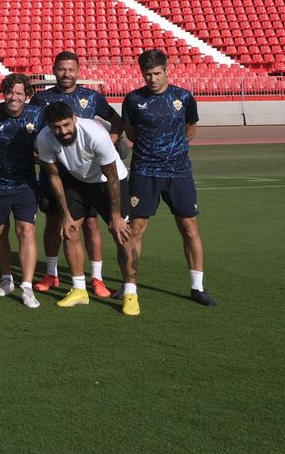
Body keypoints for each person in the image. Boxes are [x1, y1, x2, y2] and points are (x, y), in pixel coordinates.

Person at [121, 49, 212, 313]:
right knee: (135, 229)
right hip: (144, 173)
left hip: (178, 173)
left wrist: (172, 150)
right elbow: (130, 133)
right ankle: (130, 287)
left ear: (166, 70)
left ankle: (197, 287)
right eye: (147, 74)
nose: (152, 78)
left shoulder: (183, 97)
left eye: (157, 73)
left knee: (189, 227)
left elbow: (190, 130)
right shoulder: (133, 99)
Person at [31, 51, 122, 297]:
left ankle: (97, 278)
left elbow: (116, 121)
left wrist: (109, 146)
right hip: (55, 170)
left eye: (71, 69)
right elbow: (30, 127)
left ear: (78, 71)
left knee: (91, 224)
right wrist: (34, 152)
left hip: (87, 172)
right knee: (54, 221)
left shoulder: (91, 96)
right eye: (61, 69)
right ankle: (51, 274)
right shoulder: (41, 98)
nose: (66, 74)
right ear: (54, 70)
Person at [36, 103, 132, 310]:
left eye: (66, 125)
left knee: (122, 235)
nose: (63, 131)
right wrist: (65, 215)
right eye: (57, 127)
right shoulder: (44, 138)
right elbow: (54, 176)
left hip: (110, 182)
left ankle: (131, 293)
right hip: (78, 182)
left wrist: (115, 216)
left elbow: (112, 175)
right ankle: (79, 290)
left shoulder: (95, 134)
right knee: (69, 231)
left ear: (74, 119)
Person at [0, 74, 44, 308]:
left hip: (25, 185)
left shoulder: (37, 114)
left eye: (19, 93)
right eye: (10, 92)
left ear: (27, 95)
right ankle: (6, 279)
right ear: (4, 93)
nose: (14, 97)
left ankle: (27, 286)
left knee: (26, 231)